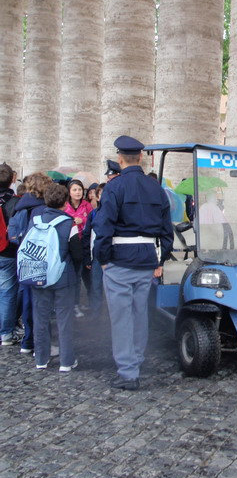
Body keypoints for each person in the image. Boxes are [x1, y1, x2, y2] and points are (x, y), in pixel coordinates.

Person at [93, 135, 174, 391]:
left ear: (120, 159)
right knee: (140, 315)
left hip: (119, 261)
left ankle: (128, 372)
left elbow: (103, 227)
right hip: (146, 260)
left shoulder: (114, 187)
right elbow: (166, 231)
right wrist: (160, 259)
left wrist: (102, 259)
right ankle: (136, 360)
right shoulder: (156, 188)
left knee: (122, 318)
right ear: (140, 158)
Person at [31, 183, 82, 371]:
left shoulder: (35, 219)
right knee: (64, 319)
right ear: (65, 200)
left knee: (40, 318)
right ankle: (66, 361)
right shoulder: (69, 223)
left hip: (39, 273)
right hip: (63, 276)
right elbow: (77, 255)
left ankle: (41, 359)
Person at [10, 172, 53, 353]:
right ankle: (41, 344)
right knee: (42, 303)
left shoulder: (20, 207)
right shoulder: (45, 209)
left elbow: (12, 235)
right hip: (43, 259)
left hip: (24, 258)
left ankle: (28, 341)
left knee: (27, 300)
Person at [64, 179, 93, 317]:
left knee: (85, 275)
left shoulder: (87, 206)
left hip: (84, 243)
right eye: (75, 190)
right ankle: (73, 304)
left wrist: (84, 220)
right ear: (69, 192)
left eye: (80, 190)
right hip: (69, 244)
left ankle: (89, 303)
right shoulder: (65, 206)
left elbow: (94, 221)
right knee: (73, 276)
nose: (78, 192)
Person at [0, 163, 20, 346]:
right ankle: (6, 333)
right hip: (7, 251)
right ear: (11, 180)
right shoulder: (14, 201)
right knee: (7, 292)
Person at [82, 183, 106, 314]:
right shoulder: (93, 214)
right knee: (96, 284)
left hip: (112, 254)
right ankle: (96, 311)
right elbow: (87, 235)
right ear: (97, 197)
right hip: (97, 255)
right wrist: (87, 257)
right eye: (101, 194)